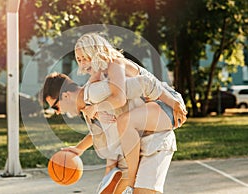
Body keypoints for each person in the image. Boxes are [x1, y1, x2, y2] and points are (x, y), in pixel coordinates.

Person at [74, 32, 187, 192]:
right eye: (79, 59)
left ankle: (130, 181)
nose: (83, 63)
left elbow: (119, 98)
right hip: (152, 106)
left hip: (166, 102)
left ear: (96, 53)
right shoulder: (99, 74)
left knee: (125, 122)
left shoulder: (115, 64)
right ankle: (128, 179)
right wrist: (90, 110)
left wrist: (97, 108)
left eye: (85, 57)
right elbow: (86, 97)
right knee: (124, 124)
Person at [41, 72, 184, 194]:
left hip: (155, 141)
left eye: (55, 107)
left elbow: (142, 83)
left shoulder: (97, 90)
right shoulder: (88, 110)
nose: (58, 112)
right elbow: (102, 132)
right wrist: (79, 149)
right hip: (139, 150)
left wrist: (169, 100)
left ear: (65, 96)